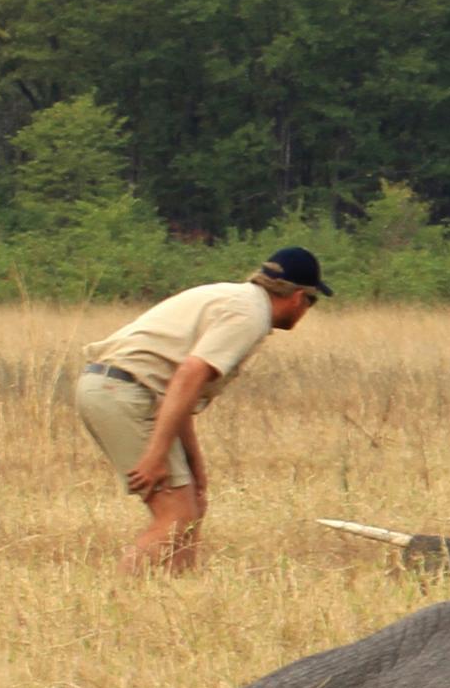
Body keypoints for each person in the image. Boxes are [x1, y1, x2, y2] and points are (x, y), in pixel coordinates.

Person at [76, 245, 330, 573]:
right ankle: (116, 598)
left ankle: (177, 596)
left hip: (117, 388)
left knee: (190, 511)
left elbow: (179, 391)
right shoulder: (249, 316)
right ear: (298, 297)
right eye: (312, 301)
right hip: (123, 392)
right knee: (176, 516)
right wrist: (155, 455)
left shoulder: (238, 299)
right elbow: (189, 375)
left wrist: (196, 468)